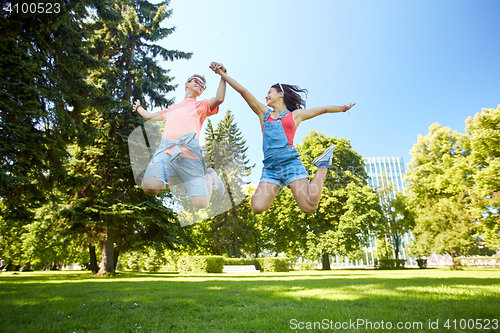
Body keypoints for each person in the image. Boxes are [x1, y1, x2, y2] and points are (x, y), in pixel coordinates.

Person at [210, 64, 355, 214]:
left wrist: (343, 108)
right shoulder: (263, 113)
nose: (266, 96)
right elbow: (242, 90)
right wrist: (222, 74)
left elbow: (323, 109)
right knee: (257, 207)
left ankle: (323, 165)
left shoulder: (295, 115)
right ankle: (275, 186)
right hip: (271, 168)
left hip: (290, 164)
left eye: (270, 92)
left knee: (309, 206)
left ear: (281, 94)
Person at [133, 62, 227, 209]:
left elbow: (219, 98)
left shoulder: (201, 105)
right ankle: (182, 177)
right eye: (197, 81)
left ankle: (209, 176)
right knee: (150, 187)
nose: (200, 85)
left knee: (201, 203)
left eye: (203, 85)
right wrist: (138, 107)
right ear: (186, 84)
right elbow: (150, 116)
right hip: (166, 152)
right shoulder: (172, 108)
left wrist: (223, 75)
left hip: (190, 155)